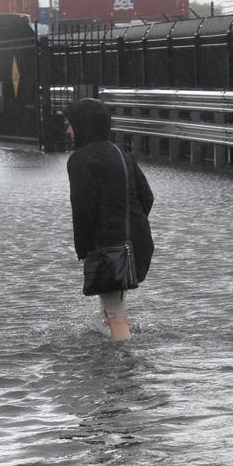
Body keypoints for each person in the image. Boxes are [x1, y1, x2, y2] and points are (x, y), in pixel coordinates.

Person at [64, 98, 155, 342]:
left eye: (70, 124)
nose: (68, 130)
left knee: (116, 313)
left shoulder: (80, 159)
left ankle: (123, 368)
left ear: (84, 125)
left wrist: (83, 248)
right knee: (113, 301)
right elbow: (147, 197)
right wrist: (130, 229)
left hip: (110, 247)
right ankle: (109, 356)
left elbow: (83, 208)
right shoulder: (121, 153)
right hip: (135, 243)